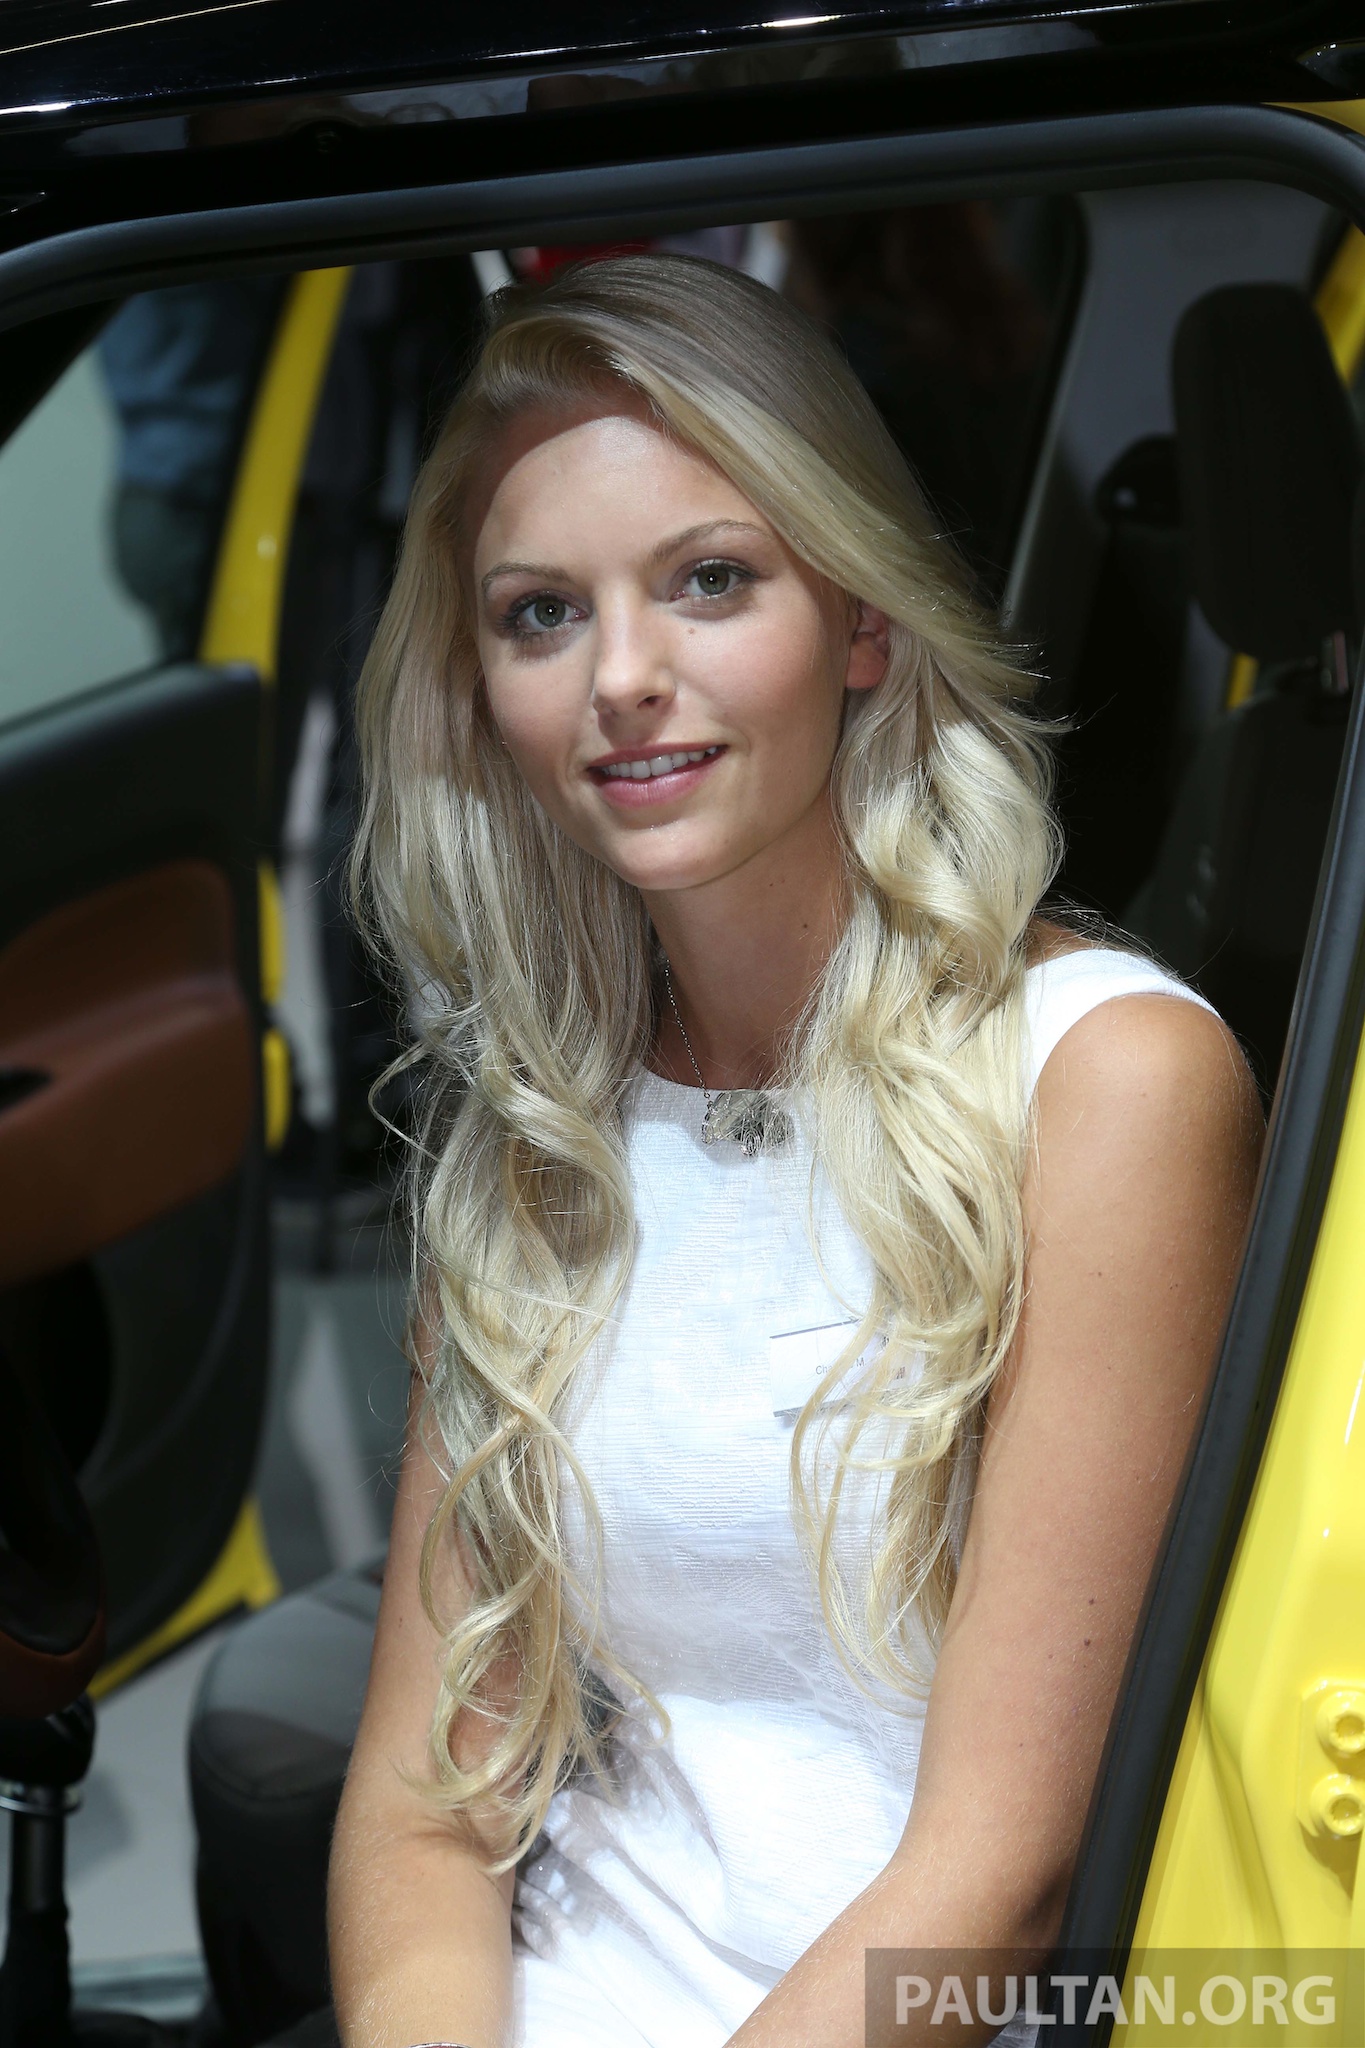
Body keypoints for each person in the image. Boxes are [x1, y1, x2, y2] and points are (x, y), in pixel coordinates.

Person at [328, 253, 1262, 2048]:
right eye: (540, 613)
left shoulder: (1104, 1083)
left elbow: (999, 1878)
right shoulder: (540, 1130)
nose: (623, 677)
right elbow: (428, 1806)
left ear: (861, 623)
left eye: (709, 581)